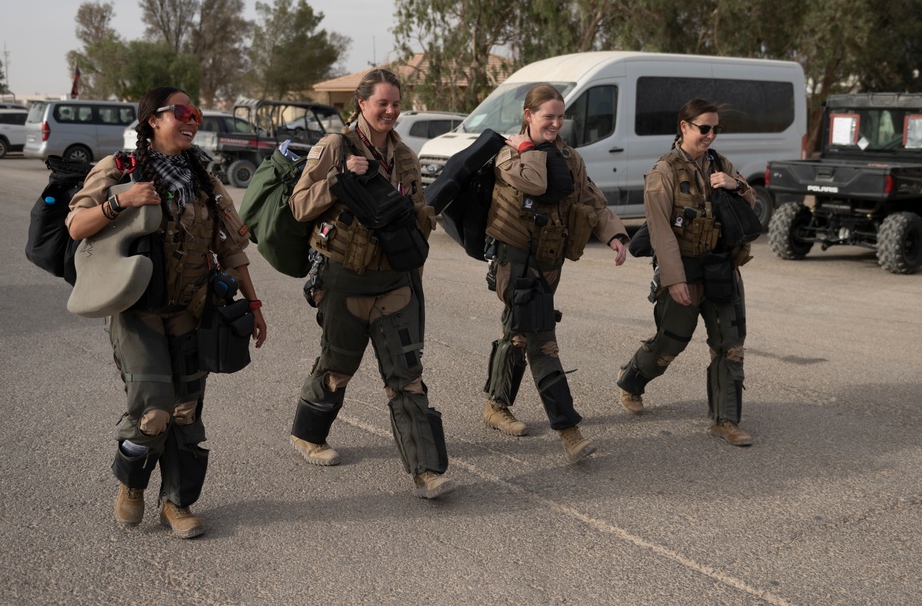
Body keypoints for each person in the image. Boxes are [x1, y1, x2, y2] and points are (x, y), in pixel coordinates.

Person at [67, 87, 267, 538]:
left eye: (195, 113)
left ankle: (176, 502)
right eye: (181, 112)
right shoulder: (121, 168)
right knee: (153, 411)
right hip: (137, 310)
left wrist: (253, 304)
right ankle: (133, 485)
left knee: (186, 411)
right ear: (152, 120)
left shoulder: (203, 177)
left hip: (191, 310)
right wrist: (122, 201)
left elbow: (232, 248)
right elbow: (76, 225)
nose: (191, 119)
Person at [287, 68, 454, 499]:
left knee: (406, 375)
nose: (391, 111)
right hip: (344, 279)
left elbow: (419, 216)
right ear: (361, 104)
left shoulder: (406, 157)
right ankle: (308, 434)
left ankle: (426, 470)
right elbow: (300, 206)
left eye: (396, 104)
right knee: (338, 368)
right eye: (383, 103)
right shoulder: (334, 147)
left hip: (395, 281)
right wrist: (337, 181)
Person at [481, 83, 628, 462]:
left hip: (550, 262)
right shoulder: (509, 153)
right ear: (528, 115)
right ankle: (568, 430)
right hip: (515, 263)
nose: (556, 123)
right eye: (549, 116)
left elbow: (590, 200)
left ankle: (496, 405)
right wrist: (530, 148)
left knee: (517, 333)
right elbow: (536, 182)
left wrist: (613, 235)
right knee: (541, 339)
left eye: (561, 117)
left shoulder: (569, 157)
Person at [616, 98, 755, 446]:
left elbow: (749, 206)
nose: (710, 135)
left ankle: (726, 420)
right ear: (684, 127)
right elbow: (660, 231)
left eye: (716, 129)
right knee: (670, 342)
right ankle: (632, 381)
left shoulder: (721, 164)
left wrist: (735, 186)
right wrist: (674, 279)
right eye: (704, 128)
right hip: (684, 270)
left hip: (721, 268)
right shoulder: (663, 172)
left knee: (730, 346)